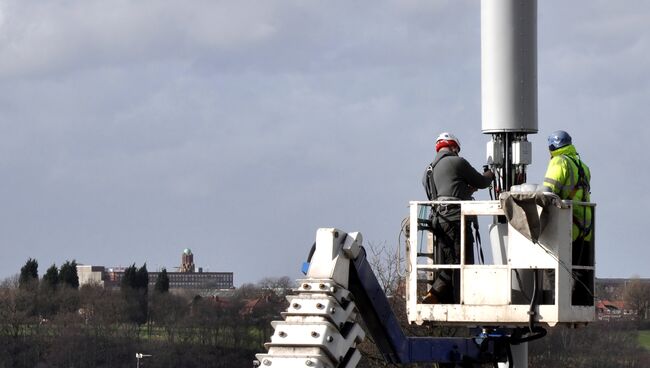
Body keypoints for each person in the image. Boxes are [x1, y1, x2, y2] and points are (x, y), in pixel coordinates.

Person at [421, 132, 494, 304]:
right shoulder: (457, 162)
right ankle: (443, 295)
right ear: (454, 147)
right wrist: (490, 174)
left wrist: (465, 191)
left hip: (439, 220)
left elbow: (442, 194)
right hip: (456, 220)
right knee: (461, 261)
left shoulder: (428, 169)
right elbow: (482, 182)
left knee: (448, 261)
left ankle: (443, 297)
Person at [542, 130, 593, 303]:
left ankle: (558, 299)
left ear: (552, 146)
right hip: (584, 226)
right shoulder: (582, 165)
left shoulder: (559, 162)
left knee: (549, 260)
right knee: (579, 269)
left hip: (567, 223)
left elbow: (547, 192)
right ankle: (579, 303)